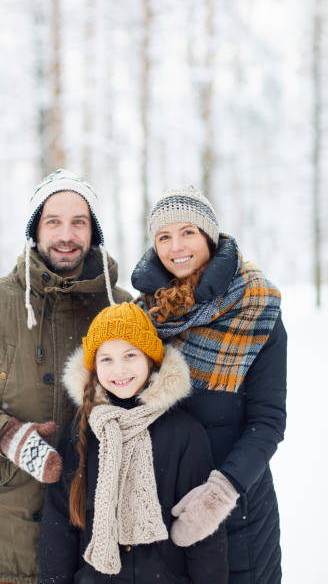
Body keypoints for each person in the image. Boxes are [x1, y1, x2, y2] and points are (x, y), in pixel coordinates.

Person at [0, 169, 131, 584]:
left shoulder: (121, 308)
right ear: (34, 229)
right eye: (53, 221)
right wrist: (7, 434)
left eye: (79, 222)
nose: (66, 234)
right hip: (3, 535)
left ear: (93, 231)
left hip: (94, 533)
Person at [131, 185, 287, 584]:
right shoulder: (141, 315)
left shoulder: (256, 306)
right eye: (164, 236)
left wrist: (220, 494)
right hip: (162, 509)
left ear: (209, 237)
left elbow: (267, 421)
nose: (176, 246)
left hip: (239, 511)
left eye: (188, 232)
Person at [38, 302, 228, 584]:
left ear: (150, 359)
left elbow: (204, 532)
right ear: (93, 366)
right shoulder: (82, 430)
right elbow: (59, 522)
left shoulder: (184, 433)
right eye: (106, 359)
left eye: (130, 355)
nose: (119, 369)